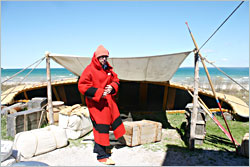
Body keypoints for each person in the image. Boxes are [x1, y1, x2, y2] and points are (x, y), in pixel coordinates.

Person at [78, 45, 126, 165]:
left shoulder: (107, 68)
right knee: (101, 128)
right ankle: (102, 156)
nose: (104, 59)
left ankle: (99, 148)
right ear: (96, 57)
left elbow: (116, 79)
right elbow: (82, 86)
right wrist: (99, 92)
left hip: (108, 102)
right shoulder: (89, 70)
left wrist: (112, 86)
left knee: (108, 124)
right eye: (101, 57)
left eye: (105, 56)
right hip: (96, 104)